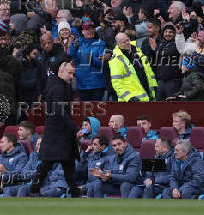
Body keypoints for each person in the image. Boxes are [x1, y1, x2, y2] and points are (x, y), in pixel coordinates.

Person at [30, 60, 81, 198]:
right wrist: (76, 129)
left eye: (73, 74)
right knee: (48, 165)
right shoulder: (59, 88)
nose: (71, 76)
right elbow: (60, 111)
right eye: (69, 73)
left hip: (59, 133)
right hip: (57, 134)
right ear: (61, 72)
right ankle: (34, 189)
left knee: (66, 165)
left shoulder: (60, 86)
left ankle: (75, 192)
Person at [109, 32, 157, 102]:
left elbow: (149, 71)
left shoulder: (138, 51)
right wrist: (128, 97)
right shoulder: (116, 59)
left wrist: (154, 86)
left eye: (127, 40)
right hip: (132, 100)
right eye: (124, 42)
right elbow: (117, 83)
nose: (127, 43)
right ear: (118, 44)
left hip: (148, 96)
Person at [89, 134, 141, 198]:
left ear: (125, 144)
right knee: (96, 185)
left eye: (119, 144)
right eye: (114, 145)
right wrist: (102, 175)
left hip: (132, 185)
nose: (117, 147)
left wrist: (111, 176)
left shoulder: (134, 157)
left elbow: (131, 177)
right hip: (116, 184)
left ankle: (126, 207)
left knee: (125, 185)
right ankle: (96, 207)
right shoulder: (112, 158)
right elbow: (108, 173)